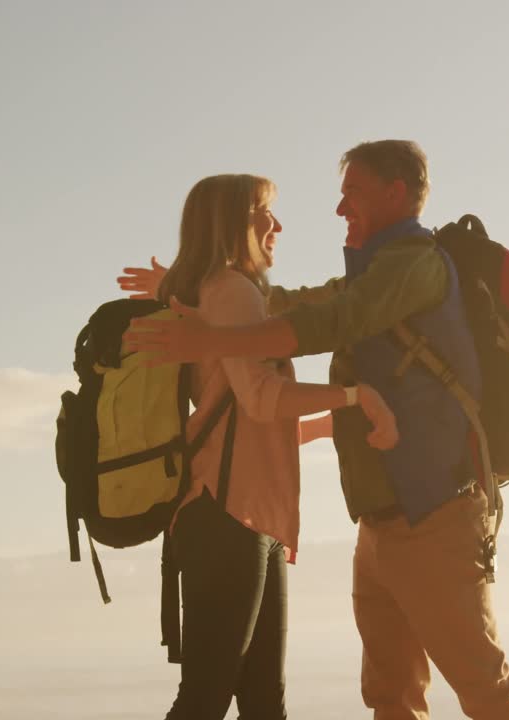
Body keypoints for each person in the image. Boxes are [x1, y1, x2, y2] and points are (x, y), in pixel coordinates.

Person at [122, 143, 509, 720]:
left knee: (483, 691)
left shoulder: (414, 265)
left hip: (434, 514)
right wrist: (187, 286)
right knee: (390, 697)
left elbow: (325, 323)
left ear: (396, 193)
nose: (340, 208)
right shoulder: (366, 274)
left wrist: (213, 334)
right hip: (378, 521)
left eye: (354, 193)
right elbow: (279, 307)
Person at [136, 173, 399, 720]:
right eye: (263, 213)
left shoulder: (225, 290)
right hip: (227, 517)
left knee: (260, 704)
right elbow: (262, 398)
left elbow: (248, 423)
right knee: (208, 698)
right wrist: (354, 395)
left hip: (248, 518)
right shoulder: (230, 289)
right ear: (231, 223)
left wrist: (329, 423)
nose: (276, 225)